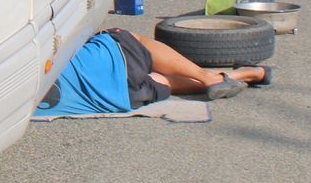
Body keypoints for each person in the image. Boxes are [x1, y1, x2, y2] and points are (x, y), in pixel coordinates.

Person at [36, 27, 270, 117]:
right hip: (115, 61)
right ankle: (207, 76)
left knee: (161, 81)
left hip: (123, 100)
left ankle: (246, 74)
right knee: (126, 37)